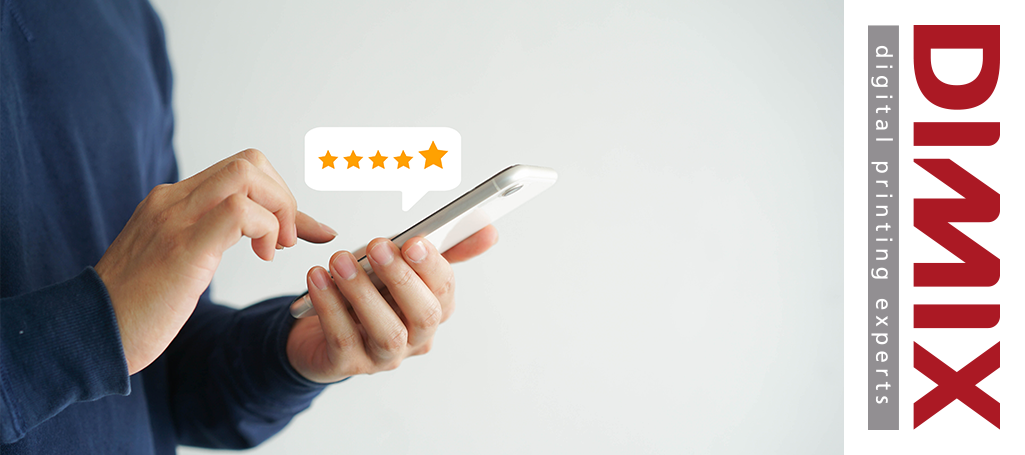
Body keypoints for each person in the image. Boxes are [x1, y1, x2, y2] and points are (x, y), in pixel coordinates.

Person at [0, 1, 498, 452]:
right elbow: (111, 331)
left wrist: (287, 353)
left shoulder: (129, 19)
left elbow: (163, 381)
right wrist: (91, 327)